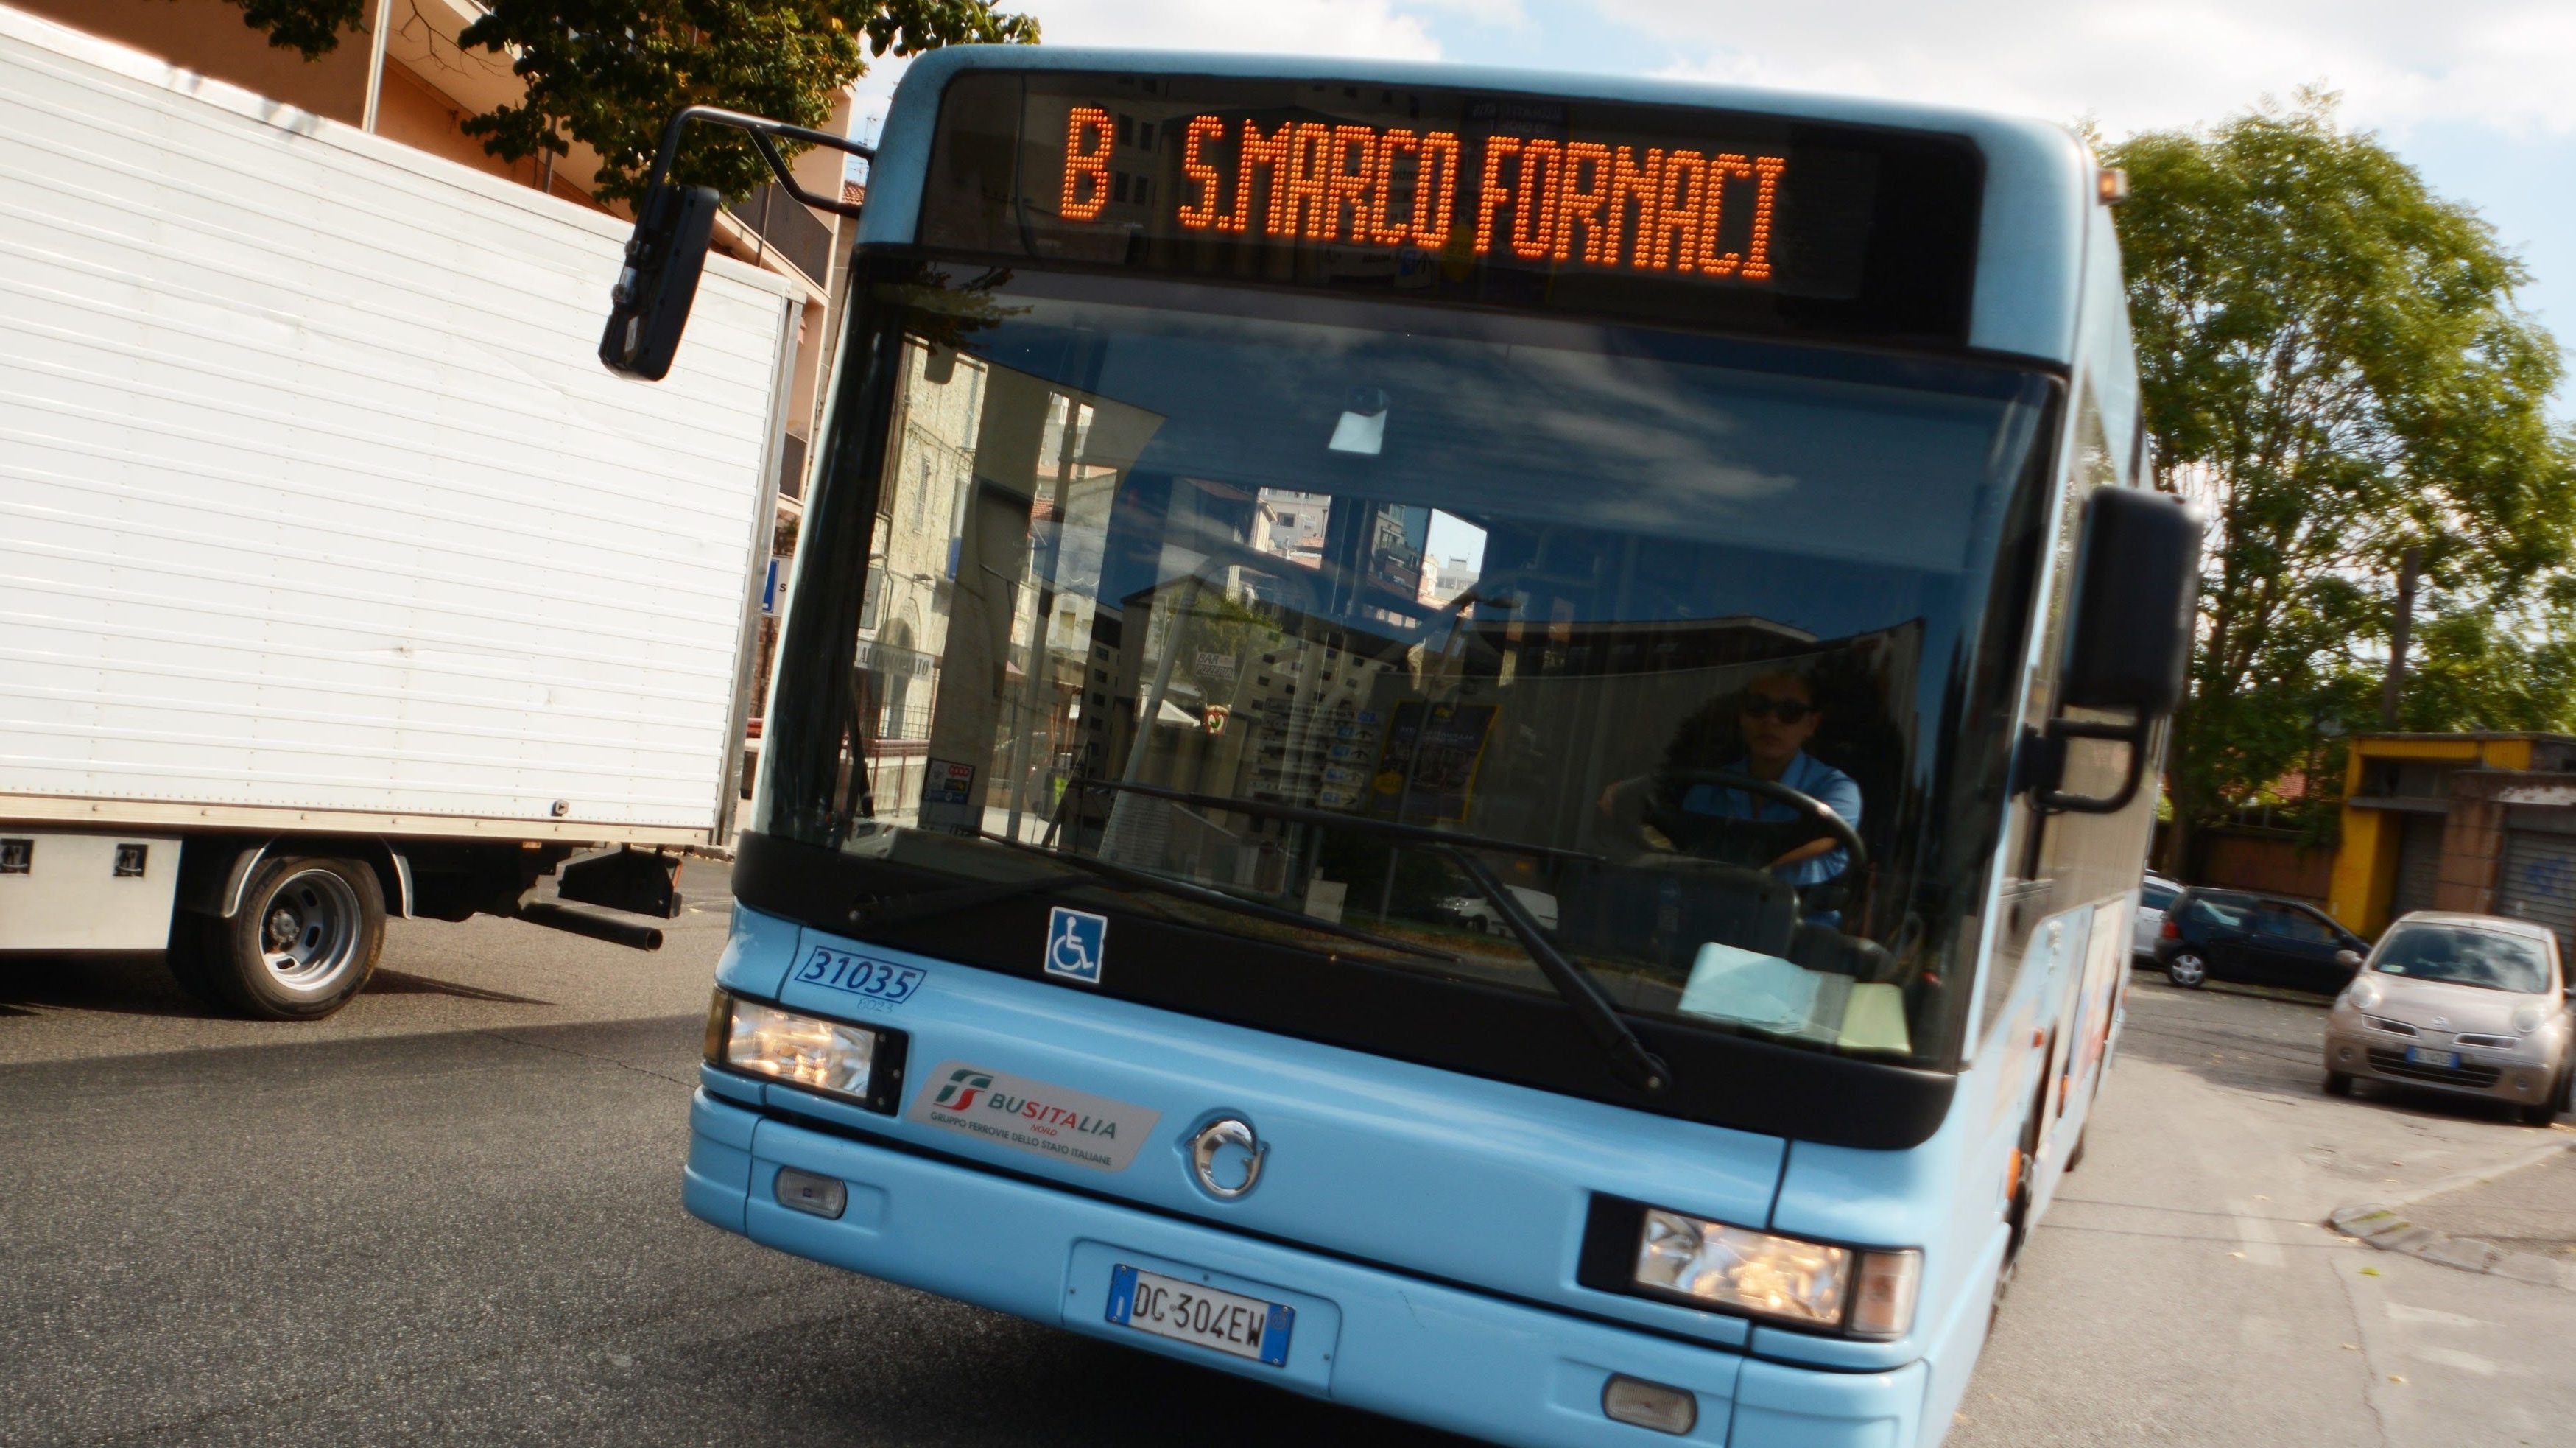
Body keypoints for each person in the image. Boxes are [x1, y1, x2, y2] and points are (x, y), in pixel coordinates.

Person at [1600, 669, 1863, 917]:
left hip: (1799, 943)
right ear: (1742, 716)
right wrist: (1627, 803)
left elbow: (1821, 837)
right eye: (1758, 707)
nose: (1771, 720)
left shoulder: (1837, 791)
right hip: (1708, 923)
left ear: (1812, 724)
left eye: (1789, 711)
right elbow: (1684, 865)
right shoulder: (1710, 787)